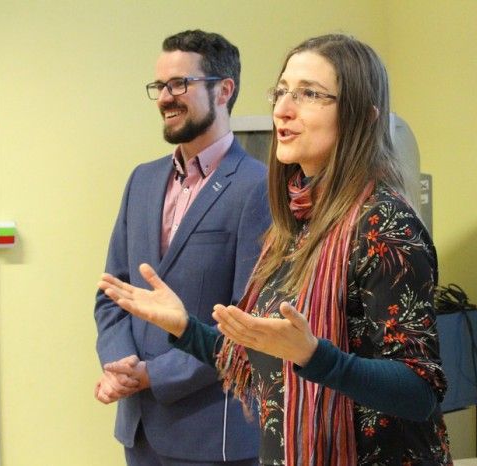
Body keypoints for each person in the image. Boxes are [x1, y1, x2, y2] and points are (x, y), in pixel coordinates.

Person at [100, 34, 452, 466]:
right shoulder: (296, 219)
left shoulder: (384, 222)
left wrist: (314, 356)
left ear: (361, 116)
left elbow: (420, 390)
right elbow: (255, 357)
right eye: (281, 91)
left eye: (309, 94)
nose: (283, 109)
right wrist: (185, 328)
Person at [94, 29, 268, 466]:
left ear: (223, 90)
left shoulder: (259, 188)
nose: (165, 98)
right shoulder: (142, 180)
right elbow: (113, 292)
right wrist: (120, 363)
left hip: (212, 434)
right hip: (139, 430)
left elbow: (249, 324)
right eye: (160, 86)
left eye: (179, 84)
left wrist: (152, 374)